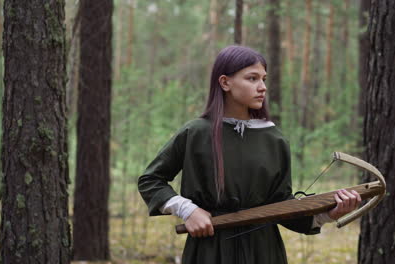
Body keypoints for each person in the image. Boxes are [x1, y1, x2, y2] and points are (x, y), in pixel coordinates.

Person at [138, 45, 362, 264]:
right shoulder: (195, 133)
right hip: (209, 248)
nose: (262, 87)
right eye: (252, 78)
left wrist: (327, 214)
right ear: (225, 82)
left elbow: (282, 206)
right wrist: (189, 211)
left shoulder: (273, 138)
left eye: (263, 79)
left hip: (263, 250)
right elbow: (151, 180)